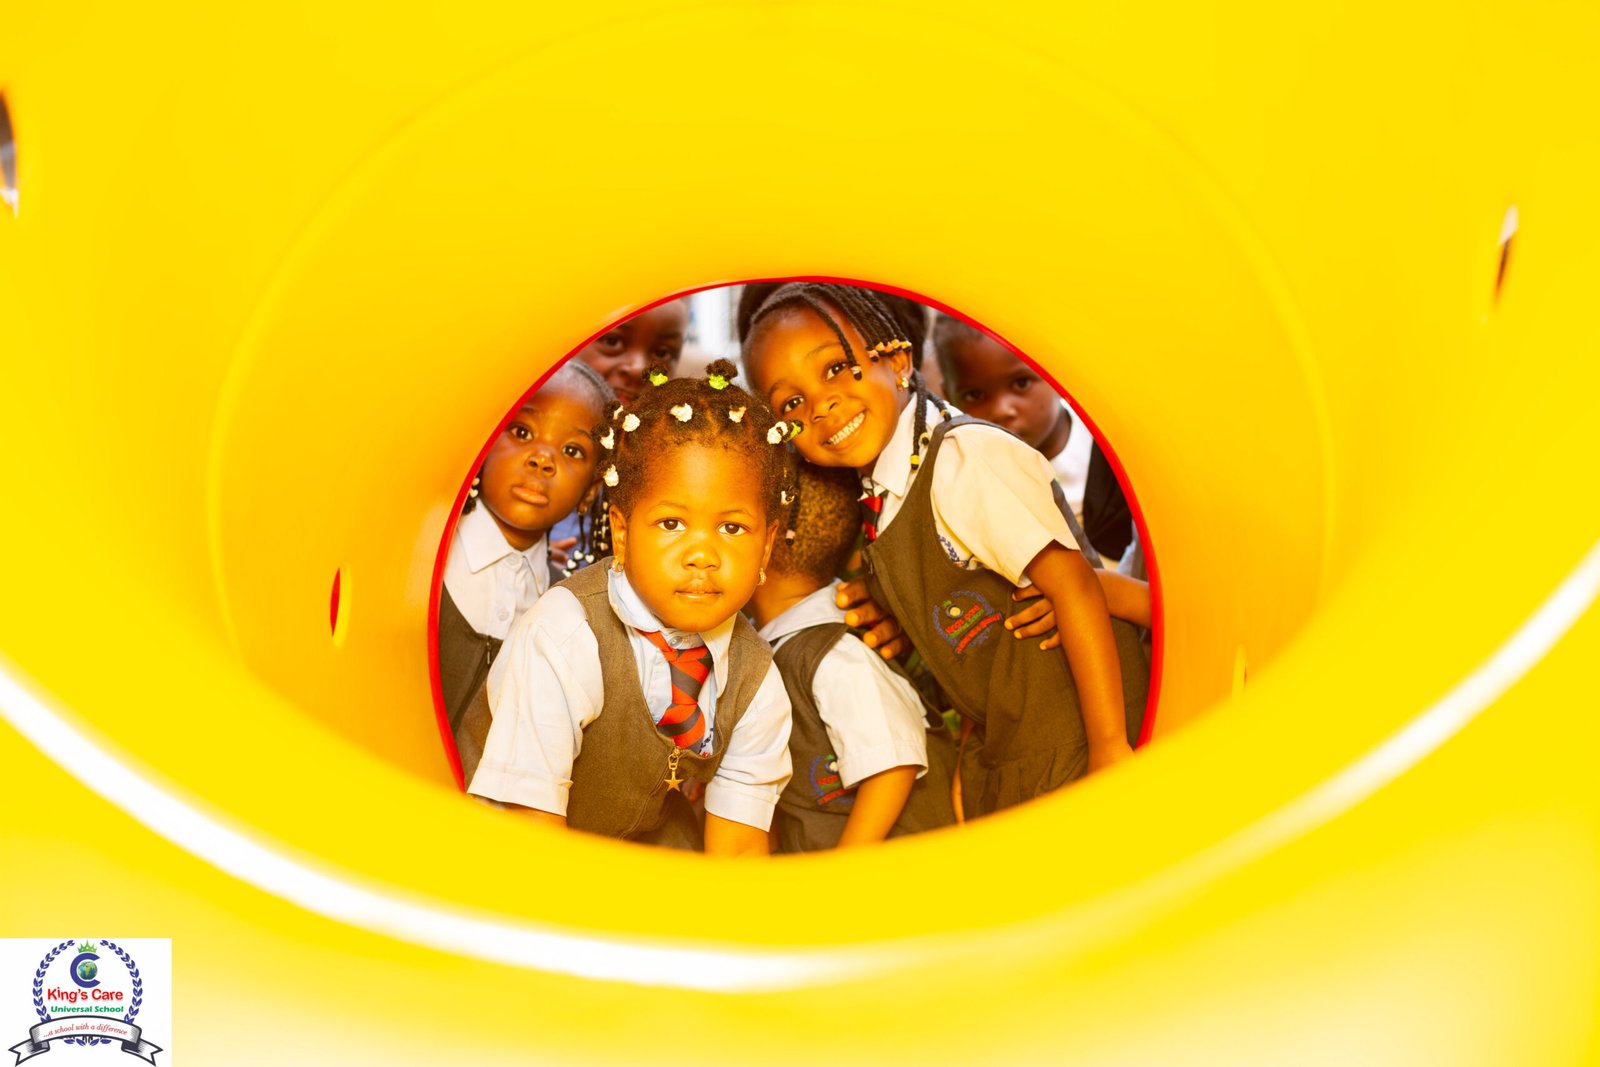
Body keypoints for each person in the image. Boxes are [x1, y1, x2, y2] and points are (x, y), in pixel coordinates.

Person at [743, 282, 1138, 816]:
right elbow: (978, 633)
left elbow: (1077, 588)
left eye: (835, 368)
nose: (821, 405)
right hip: (1017, 735)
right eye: (792, 402)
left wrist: (1109, 746)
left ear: (898, 362)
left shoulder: (964, 458)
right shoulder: (883, 498)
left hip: (1078, 728)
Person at [468, 360, 794, 853]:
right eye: (671, 524)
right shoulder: (564, 634)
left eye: (732, 528)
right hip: (504, 854)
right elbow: (531, 834)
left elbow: (740, 850)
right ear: (621, 533)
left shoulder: (756, 679)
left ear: (766, 548)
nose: (702, 555)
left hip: (631, 853)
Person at [749, 462, 956, 851]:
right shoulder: (777, 647)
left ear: (767, 539)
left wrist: (844, 870)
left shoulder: (837, 654)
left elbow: (893, 765)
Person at [438, 362, 613, 768]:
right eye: (521, 432)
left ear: (590, 492)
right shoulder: (422, 556)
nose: (542, 459)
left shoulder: (569, 612)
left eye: (572, 451)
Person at [933, 314, 1135, 562]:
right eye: (974, 395)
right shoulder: (966, 478)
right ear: (948, 397)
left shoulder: (1111, 446)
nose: (1002, 410)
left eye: (1021, 383)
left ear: (1055, 370)